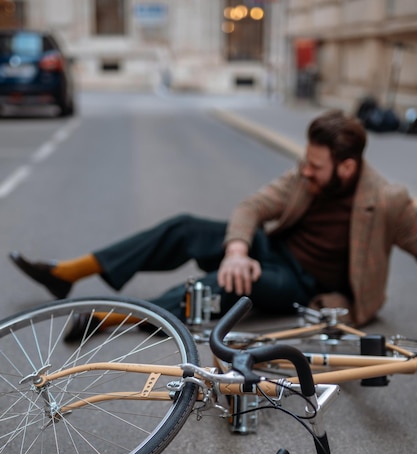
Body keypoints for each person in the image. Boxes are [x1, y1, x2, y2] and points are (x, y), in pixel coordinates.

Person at [9, 109, 417, 339]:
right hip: (271, 250)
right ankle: (68, 273)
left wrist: (237, 266)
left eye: (315, 166)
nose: (304, 171)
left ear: (346, 167)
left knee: (226, 284)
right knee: (187, 227)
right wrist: (238, 250)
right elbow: (252, 207)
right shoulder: (306, 177)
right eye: (305, 162)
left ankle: (112, 318)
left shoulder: (388, 201)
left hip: (305, 284)